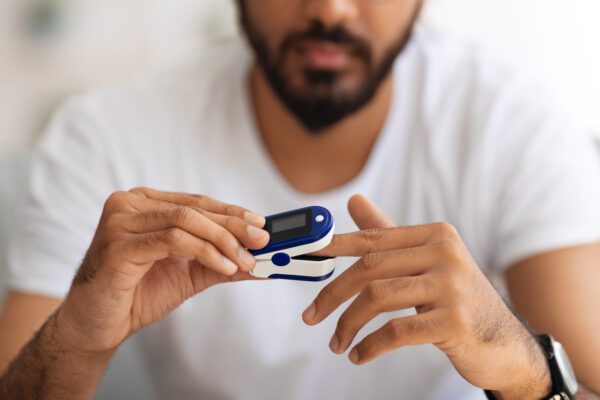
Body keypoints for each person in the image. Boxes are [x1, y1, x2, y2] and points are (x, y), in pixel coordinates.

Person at [1, 0, 599, 398]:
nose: (328, 10)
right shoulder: (106, 133)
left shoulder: (515, 124)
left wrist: (523, 371)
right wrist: (79, 336)